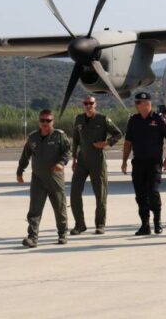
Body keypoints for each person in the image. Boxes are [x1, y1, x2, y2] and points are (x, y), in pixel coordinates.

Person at [16, 109, 72, 247]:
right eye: (43, 120)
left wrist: (62, 163)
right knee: (34, 209)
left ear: (53, 121)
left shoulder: (59, 136)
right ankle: (32, 237)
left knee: (59, 208)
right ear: (39, 121)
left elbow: (68, 151)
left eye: (48, 120)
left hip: (55, 178)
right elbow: (25, 155)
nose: (45, 123)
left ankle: (62, 233)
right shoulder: (33, 137)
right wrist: (20, 171)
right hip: (38, 179)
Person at [121, 92, 166, 235]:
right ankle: (145, 224)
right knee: (140, 195)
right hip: (138, 163)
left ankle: (157, 221)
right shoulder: (134, 120)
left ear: (147, 104)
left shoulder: (158, 119)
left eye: (138, 103)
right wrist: (124, 161)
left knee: (153, 192)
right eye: (136, 102)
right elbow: (128, 142)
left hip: (154, 163)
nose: (136, 105)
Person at [70, 95, 123, 235]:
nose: (88, 105)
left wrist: (105, 143)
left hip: (97, 160)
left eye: (91, 103)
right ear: (83, 104)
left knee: (100, 194)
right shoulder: (79, 119)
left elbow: (118, 134)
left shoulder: (103, 119)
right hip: (82, 160)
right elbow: (75, 139)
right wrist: (74, 157)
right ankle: (79, 225)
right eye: (86, 103)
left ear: (95, 104)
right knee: (74, 192)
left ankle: (100, 224)